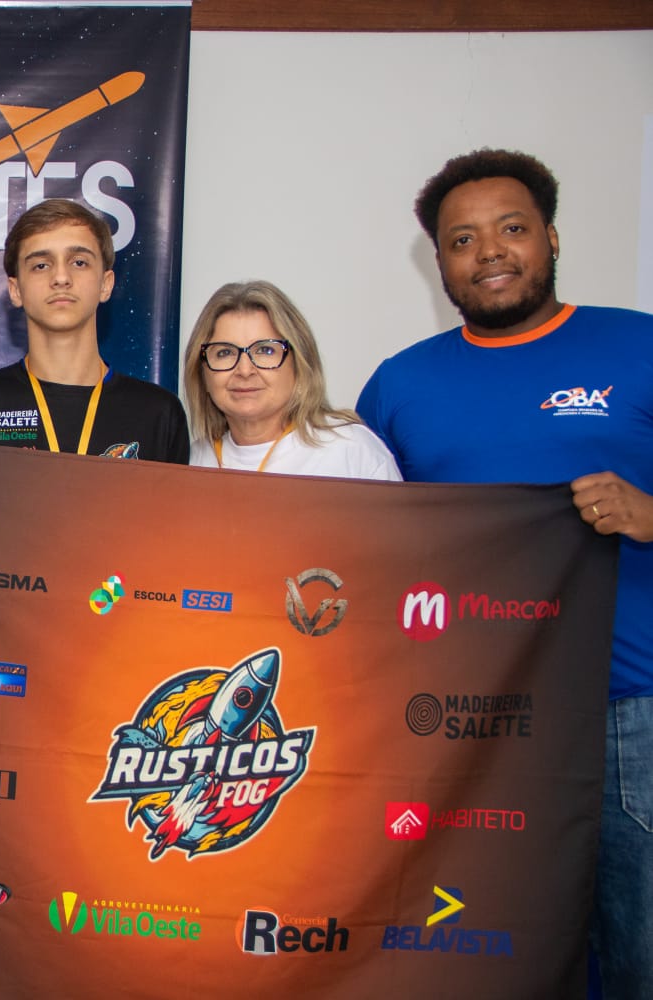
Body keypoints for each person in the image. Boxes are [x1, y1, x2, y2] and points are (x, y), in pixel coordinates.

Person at [357, 147, 653, 998]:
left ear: (551, 238)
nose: (489, 251)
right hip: (469, 725)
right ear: (439, 261)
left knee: (638, 959)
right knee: (491, 963)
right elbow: (369, 545)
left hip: (629, 713)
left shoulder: (638, 347)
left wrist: (649, 513)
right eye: (462, 240)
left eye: (511, 228)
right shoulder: (400, 386)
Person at [0, 198, 189, 462]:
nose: (61, 278)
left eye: (79, 262)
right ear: (15, 290)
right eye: (41, 265)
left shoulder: (158, 412)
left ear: (105, 284)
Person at [184, 280, 400, 479]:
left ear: (300, 363)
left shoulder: (351, 450)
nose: (245, 370)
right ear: (201, 372)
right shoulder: (190, 461)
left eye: (265, 350)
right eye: (224, 352)